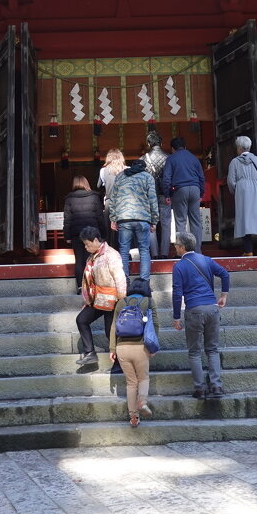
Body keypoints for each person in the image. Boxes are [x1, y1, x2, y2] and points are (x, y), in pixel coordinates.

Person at [171, 232, 231, 399]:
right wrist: (223, 296)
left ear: (182, 247)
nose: (174, 246)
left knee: (195, 352)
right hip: (212, 308)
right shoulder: (206, 259)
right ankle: (217, 387)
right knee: (212, 349)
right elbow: (225, 274)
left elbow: (177, 293)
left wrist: (176, 316)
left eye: (176, 244)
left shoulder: (179, 266)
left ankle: (200, 389)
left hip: (194, 310)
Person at [75, 226, 126, 368]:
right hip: (98, 299)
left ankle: (119, 363)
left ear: (96, 240)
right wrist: (88, 300)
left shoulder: (111, 254)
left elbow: (119, 277)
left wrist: (122, 299)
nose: (86, 247)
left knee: (110, 332)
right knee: (81, 319)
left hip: (112, 299)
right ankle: (90, 353)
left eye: (87, 244)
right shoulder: (93, 256)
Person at [110, 278, 157, 428]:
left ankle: (133, 417)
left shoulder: (121, 302)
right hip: (141, 347)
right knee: (143, 378)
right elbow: (155, 325)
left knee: (131, 382)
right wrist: (153, 347)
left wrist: (112, 349)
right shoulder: (149, 302)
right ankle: (142, 401)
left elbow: (113, 327)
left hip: (122, 347)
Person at [108, 158, 159, 282]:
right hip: (143, 219)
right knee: (144, 251)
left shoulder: (120, 176)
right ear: (143, 167)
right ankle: (144, 281)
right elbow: (153, 199)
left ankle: (124, 281)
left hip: (124, 218)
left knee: (124, 251)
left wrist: (113, 218)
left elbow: (112, 198)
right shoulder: (147, 177)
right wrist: (154, 220)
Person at [227, 135, 257, 255]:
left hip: (242, 190)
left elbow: (231, 181)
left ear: (239, 148)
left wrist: (236, 190)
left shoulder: (235, 162)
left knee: (244, 218)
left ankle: (248, 250)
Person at [63, 175, 106, 291]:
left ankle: (80, 286)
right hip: (92, 234)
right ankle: (92, 285)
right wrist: (103, 233)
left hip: (76, 234)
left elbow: (67, 219)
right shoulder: (94, 197)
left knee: (79, 260)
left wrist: (67, 236)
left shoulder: (69, 199)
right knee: (92, 259)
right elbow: (99, 217)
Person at [162, 135, 205, 250]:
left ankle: (182, 250)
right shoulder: (194, 158)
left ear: (172, 149)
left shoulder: (171, 159)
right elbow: (201, 177)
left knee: (180, 221)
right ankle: (197, 250)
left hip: (180, 190)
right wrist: (201, 193)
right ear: (185, 146)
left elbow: (166, 178)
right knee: (195, 222)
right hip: (195, 189)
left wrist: (167, 194)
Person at [141, 131, 171, 258]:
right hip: (165, 195)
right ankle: (164, 253)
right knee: (166, 224)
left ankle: (154, 253)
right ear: (161, 143)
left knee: (150, 224)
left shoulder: (143, 159)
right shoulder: (169, 157)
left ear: (149, 144)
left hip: (149, 196)